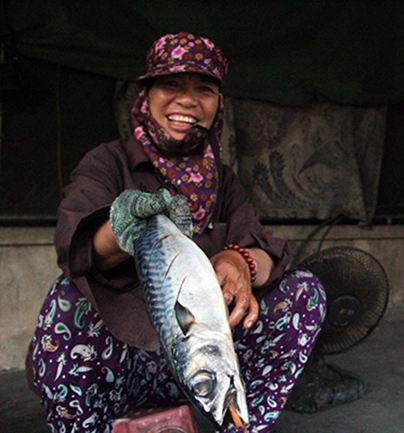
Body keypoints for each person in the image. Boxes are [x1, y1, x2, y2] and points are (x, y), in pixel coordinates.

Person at [26, 32, 327, 433]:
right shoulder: (107, 162)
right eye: (171, 84)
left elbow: (269, 248)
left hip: (198, 369)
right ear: (145, 94)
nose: (188, 100)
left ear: (217, 104)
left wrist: (241, 260)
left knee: (304, 291)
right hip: (121, 364)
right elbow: (74, 245)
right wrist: (122, 230)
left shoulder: (224, 181)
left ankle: (238, 424)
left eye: (204, 89)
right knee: (66, 299)